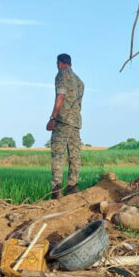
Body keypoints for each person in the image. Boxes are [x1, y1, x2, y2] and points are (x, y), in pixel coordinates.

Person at [46, 53, 84, 199]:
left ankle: (56, 191)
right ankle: (73, 186)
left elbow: (60, 96)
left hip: (62, 121)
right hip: (76, 122)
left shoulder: (61, 74)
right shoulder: (79, 81)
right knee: (74, 154)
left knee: (58, 154)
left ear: (59, 63)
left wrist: (53, 117)